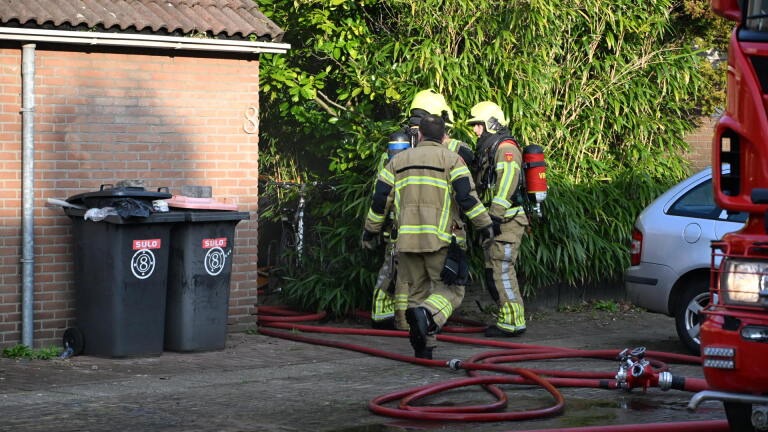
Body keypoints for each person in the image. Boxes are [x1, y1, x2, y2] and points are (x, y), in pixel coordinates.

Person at [362, 115, 494, 359]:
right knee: (451, 291)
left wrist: (370, 230)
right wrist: (484, 224)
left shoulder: (397, 161)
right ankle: (430, 316)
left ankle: (424, 349)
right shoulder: (452, 159)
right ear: (443, 135)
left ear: (419, 134)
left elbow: (380, 199)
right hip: (439, 239)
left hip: (406, 240)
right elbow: (466, 198)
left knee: (416, 293)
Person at [467, 101, 529, 338]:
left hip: (508, 221)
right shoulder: (490, 148)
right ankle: (506, 318)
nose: (475, 130)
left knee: (502, 269)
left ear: (491, 124)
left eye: (478, 125)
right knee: (493, 269)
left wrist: (494, 216)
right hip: (496, 221)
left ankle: (514, 321)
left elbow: (507, 183)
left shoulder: (505, 148)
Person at [369, 131, 410, 330]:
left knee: (391, 272)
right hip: (399, 229)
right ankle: (386, 315)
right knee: (392, 272)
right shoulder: (400, 165)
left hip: (399, 228)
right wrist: (372, 229)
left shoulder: (389, 164)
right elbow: (380, 201)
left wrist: (371, 229)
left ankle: (386, 313)